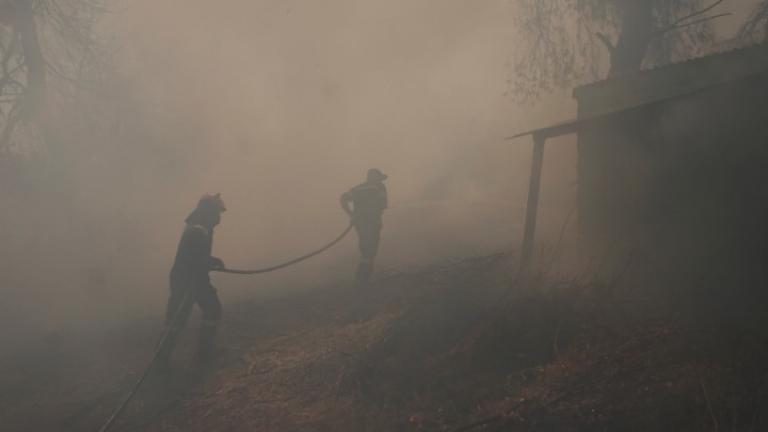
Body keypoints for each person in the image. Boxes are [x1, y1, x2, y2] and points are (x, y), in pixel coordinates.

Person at [158, 193, 227, 368]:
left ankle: (204, 353)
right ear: (208, 211)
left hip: (197, 279)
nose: (219, 217)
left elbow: (198, 256)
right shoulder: (197, 229)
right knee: (176, 321)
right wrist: (210, 262)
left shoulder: (202, 227)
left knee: (212, 309)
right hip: (186, 280)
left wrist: (211, 260)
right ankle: (160, 361)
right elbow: (193, 258)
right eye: (217, 212)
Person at [340, 169, 388, 286]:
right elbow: (383, 205)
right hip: (372, 223)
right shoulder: (379, 187)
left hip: (360, 224)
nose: (381, 180)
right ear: (376, 177)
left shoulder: (357, 189)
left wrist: (352, 215)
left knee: (365, 250)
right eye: (379, 178)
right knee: (370, 251)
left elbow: (343, 199)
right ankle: (362, 280)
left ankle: (362, 279)